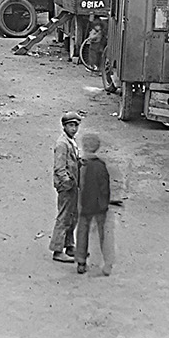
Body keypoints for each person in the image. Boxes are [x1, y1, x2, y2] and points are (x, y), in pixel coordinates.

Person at [74, 131, 114, 276]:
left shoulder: (81, 165)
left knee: (82, 231)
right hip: (100, 205)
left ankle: (81, 261)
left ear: (84, 147)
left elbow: (78, 185)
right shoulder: (101, 166)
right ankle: (107, 263)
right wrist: (105, 203)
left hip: (85, 204)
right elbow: (105, 187)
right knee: (103, 234)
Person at [49, 110, 81, 262]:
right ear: (64, 126)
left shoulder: (71, 141)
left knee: (72, 215)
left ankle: (69, 245)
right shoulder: (62, 144)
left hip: (74, 184)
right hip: (67, 186)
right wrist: (67, 182)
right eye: (70, 126)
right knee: (64, 216)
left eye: (75, 125)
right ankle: (57, 249)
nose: (73, 129)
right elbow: (59, 168)